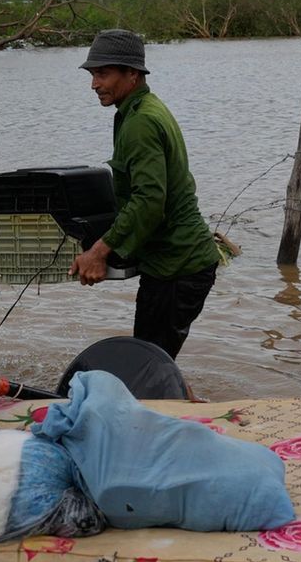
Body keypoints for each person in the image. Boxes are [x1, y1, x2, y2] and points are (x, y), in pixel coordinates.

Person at [69, 29, 223, 360]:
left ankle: (184, 408)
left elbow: (149, 202)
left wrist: (98, 251)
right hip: (173, 263)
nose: (94, 84)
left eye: (103, 73)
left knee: (148, 364)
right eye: (93, 74)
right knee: (154, 360)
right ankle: (185, 404)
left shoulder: (141, 122)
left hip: (178, 266)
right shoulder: (141, 111)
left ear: (132, 74)